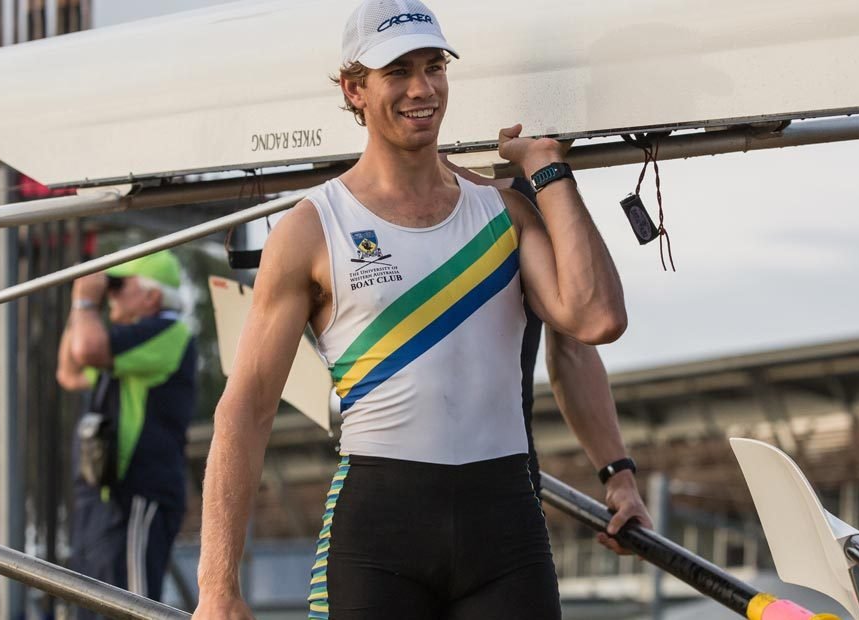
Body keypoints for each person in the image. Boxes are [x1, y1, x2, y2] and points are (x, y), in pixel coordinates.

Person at [195, 0, 629, 617]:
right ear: (355, 90)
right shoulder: (314, 227)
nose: (422, 89)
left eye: (434, 67)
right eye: (397, 72)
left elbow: (596, 319)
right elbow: (246, 408)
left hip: (504, 529)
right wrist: (217, 587)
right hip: (377, 534)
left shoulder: (501, 211)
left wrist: (547, 170)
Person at [444, 161, 653, 556]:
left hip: (508, 486)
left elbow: (576, 346)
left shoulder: (533, 195)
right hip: (390, 496)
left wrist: (619, 477)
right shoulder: (359, 197)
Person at [55, 250, 196, 617]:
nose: (111, 295)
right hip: (104, 496)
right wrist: (83, 304)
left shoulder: (169, 331)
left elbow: (85, 349)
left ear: (152, 297)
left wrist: (86, 302)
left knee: (128, 609)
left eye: (120, 287)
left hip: (137, 494)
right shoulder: (122, 344)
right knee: (91, 605)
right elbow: (69, 371)